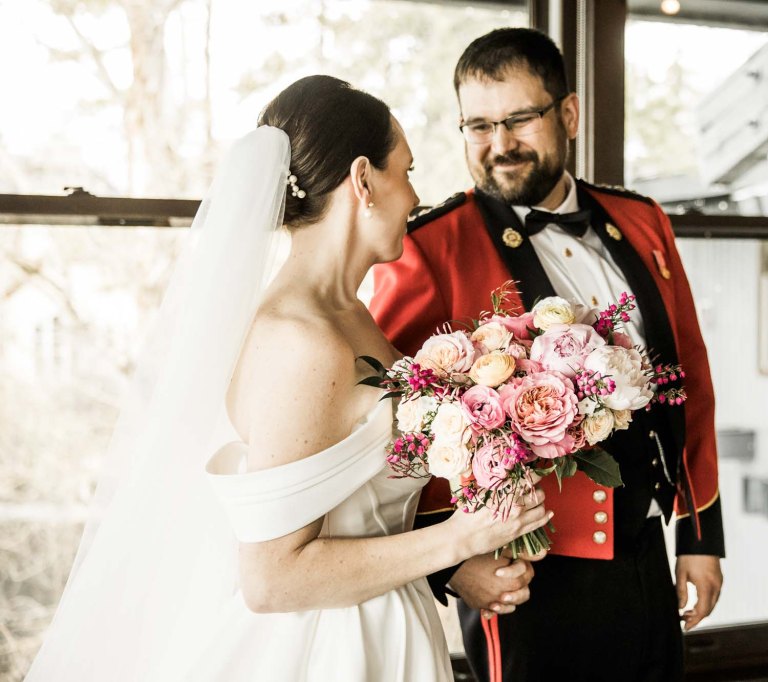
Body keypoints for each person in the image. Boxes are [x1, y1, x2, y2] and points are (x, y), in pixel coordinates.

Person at [26, 75, 550, 682]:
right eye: (405, 172)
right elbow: (272, 578)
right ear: (362, 181)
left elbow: (352, 511)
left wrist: (456, 563)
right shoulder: (299, 339)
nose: (414, 196)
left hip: (380, 623)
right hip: (323, 650)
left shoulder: (350, 316)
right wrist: (457, 541)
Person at [371, 28, 725, 681]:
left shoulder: (643, 221)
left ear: (568, 115)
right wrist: (451, 564)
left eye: (519, 119)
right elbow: (393, 422)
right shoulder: (430, 247)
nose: (498, 143)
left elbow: (689, 380)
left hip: (648, 553)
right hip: (525, 571)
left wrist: (700, 536)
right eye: (478, 125)